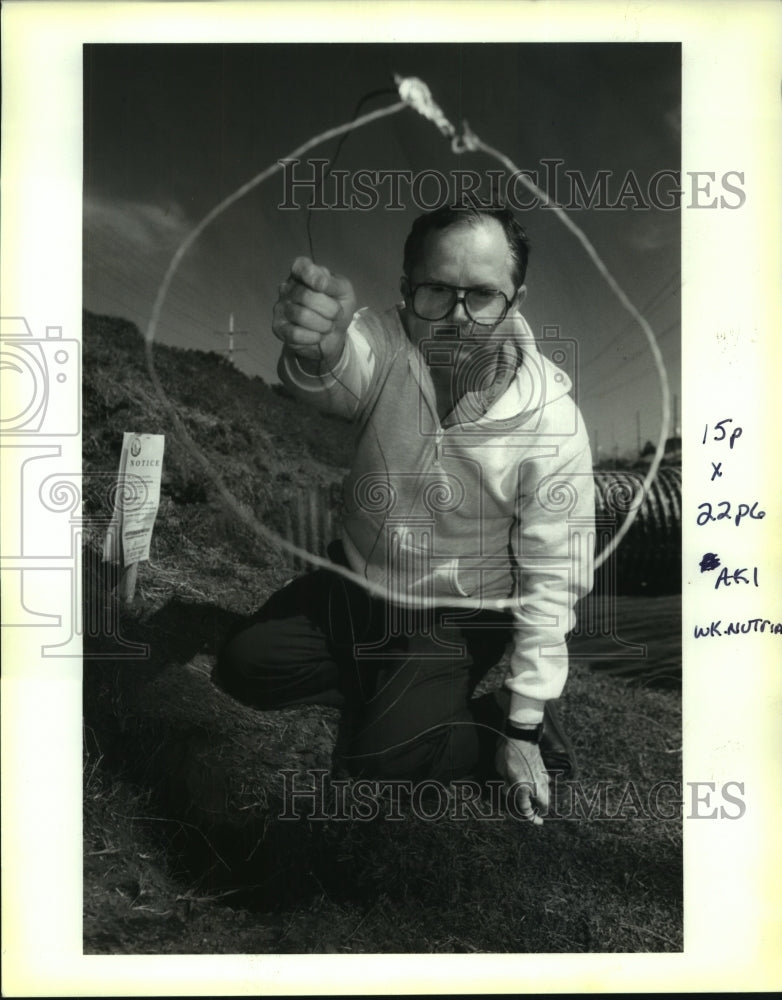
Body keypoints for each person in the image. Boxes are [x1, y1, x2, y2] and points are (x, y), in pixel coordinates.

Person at [215, 203, 595, 824]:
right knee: (246, 666)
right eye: (437, 291)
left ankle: (496, 725)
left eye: (483, 296)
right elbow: (336, 375)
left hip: (458, 613)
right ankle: (397, 690)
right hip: (359, 580)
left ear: (516, 300)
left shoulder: (554, 421)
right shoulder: (385, 338)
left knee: (380, 762)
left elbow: (554, 578)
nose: (458, 318)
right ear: (405, 291)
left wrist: (524, 725)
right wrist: (321, 346)